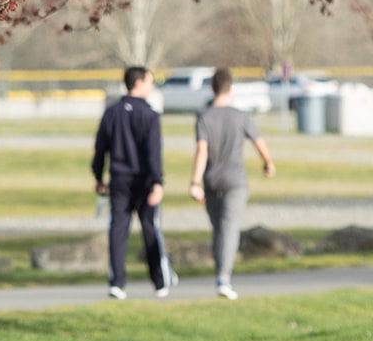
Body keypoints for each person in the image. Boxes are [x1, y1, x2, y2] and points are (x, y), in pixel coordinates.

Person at [188, 68, 275, 300]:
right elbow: (259, 141)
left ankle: (221, 276)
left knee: (220, 231)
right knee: (228, 230)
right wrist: (268, 162)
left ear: (212, 88)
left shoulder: (204, 117)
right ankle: (223, 280)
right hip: (235, 182)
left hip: (211, 181)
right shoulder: (241, 116)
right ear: (231, 88)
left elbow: (201, 151)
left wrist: (195, 182)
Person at [92, 66, 172, 300]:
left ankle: (117, 283)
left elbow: (100, 149)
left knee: (118, 230)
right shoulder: (149, 115)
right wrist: (158, 182)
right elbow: (153, 153)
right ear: (138, 83)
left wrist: (98, 175)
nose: (152, 85)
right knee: (150, 229)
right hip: (144, 180)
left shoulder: (112, 113)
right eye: (149, 81)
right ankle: (159, 282)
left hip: (120, 179)